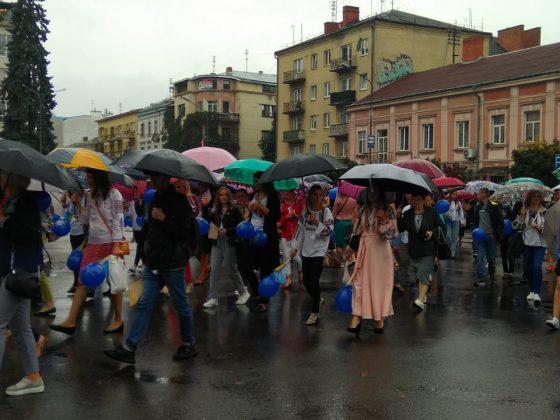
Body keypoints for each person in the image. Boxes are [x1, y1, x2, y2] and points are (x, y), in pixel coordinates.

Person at [104, 171, 197, 364]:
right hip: (153, 262)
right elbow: (150, 227)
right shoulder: (154, 198)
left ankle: (189, 343)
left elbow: (183, 233)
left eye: (157, 177)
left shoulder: (180, 201)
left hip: (172, 264)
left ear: (166, 178)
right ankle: (130, 348)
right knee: (144, 303)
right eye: (152, 178)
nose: (153, 180)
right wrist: (145, 250)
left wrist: (165, 219)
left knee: (180, 305)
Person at [50, 169, 125, 335]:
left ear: (100, 178)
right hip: (92, 244)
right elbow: (85, 220)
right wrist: (77, 204)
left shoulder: (115, 194)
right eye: (87, 177)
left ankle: (119, 319)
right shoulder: (90, 196)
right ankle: (70, 321)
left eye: (91, 177)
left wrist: (117, 245)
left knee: (114, 282)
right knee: (83, 281)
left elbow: (119, 219)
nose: (88, 180)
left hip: (110, 244)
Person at [0, 171, 45, 396]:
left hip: (18, 272)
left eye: (1, 175)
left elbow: (25, 234)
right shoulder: (16, 202)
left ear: (11, 180)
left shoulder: (23, 204)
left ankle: (33, 377)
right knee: (20, 328)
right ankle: (33, 377)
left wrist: (3, 223)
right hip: (18, 271)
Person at [346, 183, 397, 334]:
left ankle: (379, 317)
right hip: (364, 249)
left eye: (375, 191)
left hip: (381, 252)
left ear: (381, 193)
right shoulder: (363, 209)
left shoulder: (388, 210)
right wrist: (351, 246)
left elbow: (392, 235)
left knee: (378, 285)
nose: (372, 194)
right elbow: (357, 229)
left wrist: (384, 220)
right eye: (369, 191)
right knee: (359, 283)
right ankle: (356, 317)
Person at [238, 172, 280, 313]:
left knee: (265, 269)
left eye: (256, 180)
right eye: (253, 180)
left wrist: (261, 206)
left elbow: (275, 216)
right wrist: (250, 212)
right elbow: (253, 216)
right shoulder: (253, 195)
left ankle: (264, 300)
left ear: (263, 181)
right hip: (252, 236)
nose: (254, 183)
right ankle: (256, 292)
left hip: (266, 237)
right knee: (244, 265)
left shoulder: (272, 196)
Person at [291, 185, 333, 325]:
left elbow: (328, 231)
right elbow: (300, 231)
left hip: (319, 251)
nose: (317, 198)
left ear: (323, 196)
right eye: (314, 195)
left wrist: (316, 222)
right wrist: (295, 248)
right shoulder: (305, 212)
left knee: (314, 279)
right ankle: (317, 297)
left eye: (320, 195)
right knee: (307, 281)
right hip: (306, 251)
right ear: (309, 196)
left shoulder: (326, 212)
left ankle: (315, 312)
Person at [203, 186, 250, 308]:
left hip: (229, 241)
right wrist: (211, 240)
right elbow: (211, 225)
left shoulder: (234, 210)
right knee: (214, 269)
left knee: (230, 267)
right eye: (221, 195)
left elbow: (240, 226)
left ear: (229, 196)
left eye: (225, 195)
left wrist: (228, 231)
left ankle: (243, 292)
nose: (223, 197)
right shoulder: (215, 210)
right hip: (217, 241)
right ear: (218, 197)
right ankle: (213, 297)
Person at [397, 192, 442, 311]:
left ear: (423, 200)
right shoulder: (408, 213)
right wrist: (398, 216)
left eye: (417, 199)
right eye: (413, 200)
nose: (414, 202)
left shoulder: (431, 212)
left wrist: (433, 233)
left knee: (423, 273)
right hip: (413, 248)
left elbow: (441, 227)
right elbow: (401, 228)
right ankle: (423, 293)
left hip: (428, 249)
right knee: (415, 275)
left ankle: (420, 300)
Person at [517, 190, 547, 305]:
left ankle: (536, 291)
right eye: (533, 196)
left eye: (538, 196)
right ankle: (531, 289)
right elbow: (517, 226)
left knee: (536, 266)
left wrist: (539, 228)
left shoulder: (544, 211)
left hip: (540, 244)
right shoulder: (526, 210)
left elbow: (549, 229)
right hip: (527, 243)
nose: (536, 198)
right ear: (529, 198)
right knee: (527, 267)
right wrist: (521, 216)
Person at [472, 188, 503, 288]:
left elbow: (500, 222)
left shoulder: (494, 206)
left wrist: (495, 234)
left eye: (479, 193)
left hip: (491, 237)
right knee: (480, 258)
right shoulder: (478, 206)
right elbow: (475, 221)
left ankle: (492, 274)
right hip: (480, 237)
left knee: (491, 259)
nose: (477, 195)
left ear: (485, 194)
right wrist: (476, 231)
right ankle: (481, 279)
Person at [61, 190, 87, 294]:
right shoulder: (70, 202)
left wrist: (78, 203)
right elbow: (66, 217)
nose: (73, 193)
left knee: (83, 259)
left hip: (83, 233)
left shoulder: (86, 198)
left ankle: (84, 285)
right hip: (73, 233)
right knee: (75, 259)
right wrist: (64, 204)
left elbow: (86, 217)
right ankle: (76, 283)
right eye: (71, 192)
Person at [278, 189, 303, 290]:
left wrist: (296, 215)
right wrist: (286, 217)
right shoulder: (282, 206)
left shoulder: (299, 205)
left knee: (295, 256)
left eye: (287, 194)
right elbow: (279, 221)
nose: (285, 196)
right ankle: (288, 278)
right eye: (284, 194)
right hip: (285, 233)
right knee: (286, 256)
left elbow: (303, 219)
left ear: (293, 194)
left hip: (296, 235)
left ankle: (301, 270)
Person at [332, 189, 357, 266]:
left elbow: (334, 213)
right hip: (350, 222)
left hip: (340, 223)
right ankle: (350, 258)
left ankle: (344, 261)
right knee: (347, 242)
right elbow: (355, 211)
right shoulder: (353, 199)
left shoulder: (338, 199)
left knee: (339, 244)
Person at [444, 191, 465, 258]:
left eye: (456, 194)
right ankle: (449, 249)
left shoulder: (458, 203)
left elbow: (461, 212)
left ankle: (452, 253)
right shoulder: (447, 202)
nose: (455, 196)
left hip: (456, 221)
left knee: (454, 237)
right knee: (448, 237)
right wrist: (448, 212)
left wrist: (462, 221)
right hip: (448, 221)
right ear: (450, 195)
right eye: (453, 194)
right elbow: (443, 211)